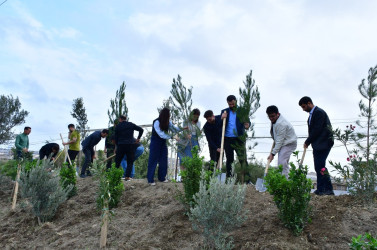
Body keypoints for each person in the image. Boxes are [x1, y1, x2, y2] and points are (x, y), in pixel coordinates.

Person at [299, 96, 334, 195]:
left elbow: (317, 130)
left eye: (304, 106)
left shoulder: (319, 112)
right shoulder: (312, 114)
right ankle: (328, 189)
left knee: (320, 166)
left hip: (324, 143)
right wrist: (310, 141)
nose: (303, 109)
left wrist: (307, 141)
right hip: (318, 144)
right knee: (320, 167)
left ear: (309, 103)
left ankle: (322, 189)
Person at [147, 108, 181, 185]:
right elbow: (161, 134)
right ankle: (150, 179)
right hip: (155, 142)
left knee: (163, 159)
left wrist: (183, 128)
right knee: (153, 160)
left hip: (163, 142)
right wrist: (172, 137)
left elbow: (174, 129)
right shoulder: (156, 122)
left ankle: (162, 178)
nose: (168, 118)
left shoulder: (168, 122)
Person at [221, 95, 250, 178]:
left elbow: (248, 122)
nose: (231, 106)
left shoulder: (242, 111)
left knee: (243, 159)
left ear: (236, 101)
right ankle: (230, 179)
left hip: (239, 139)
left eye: (233, 104)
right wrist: (221, 118)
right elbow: (220, 124)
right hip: (227, 139)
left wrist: (247, 125)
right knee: (229, 160)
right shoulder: (224, 112)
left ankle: (247, 179)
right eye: (230, 104)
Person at [266, 105, 297, 178]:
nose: (271, 118)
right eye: (269, 116)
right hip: (282, 142)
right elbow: (277, 138)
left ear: (278, 114)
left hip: (289, 143)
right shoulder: (275, 120)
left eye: (273, 116)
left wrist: (272, 154)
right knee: (282, 163)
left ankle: (285, 182)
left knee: (281, 163)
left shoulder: (281, 123)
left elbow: (280, 141)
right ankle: (285, 180)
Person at [114, 115, 144, 181]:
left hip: (121, 145)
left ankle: (114, 176)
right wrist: (138, 138)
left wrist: (116, 148)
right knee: (130, 161)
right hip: (130, 145)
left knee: (118, 161)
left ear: (120, 119)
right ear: (125, 119)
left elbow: (116, 139)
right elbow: (141, 130)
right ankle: (127, 177)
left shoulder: (118, 127)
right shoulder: (130, 124)